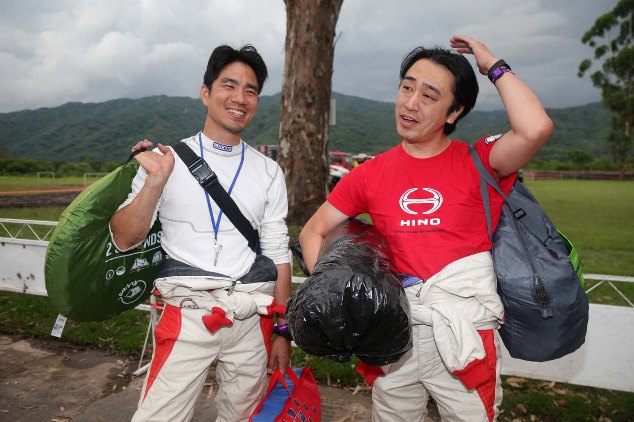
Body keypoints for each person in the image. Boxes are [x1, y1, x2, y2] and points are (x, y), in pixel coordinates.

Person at [299, 35, 553, 421]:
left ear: (454, 112)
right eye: (406, 88)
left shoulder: (480, 160)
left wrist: (492, 65)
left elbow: (534, 128)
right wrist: (339, 306)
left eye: (430, 96)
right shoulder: (369, 173)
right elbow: (312, 232)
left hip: (463, 335)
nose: (411, 103)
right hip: (396, 334)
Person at [109, 44, 292, 422]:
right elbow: (124, 237)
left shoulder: (269, 171)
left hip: (250, 317)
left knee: (244, 416)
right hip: (187, 314)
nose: (240, 98)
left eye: (251, 90)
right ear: (206, 92)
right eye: (229, 85)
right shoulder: (165, 161)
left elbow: (278, 254)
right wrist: (155, 182)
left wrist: (283, 331)